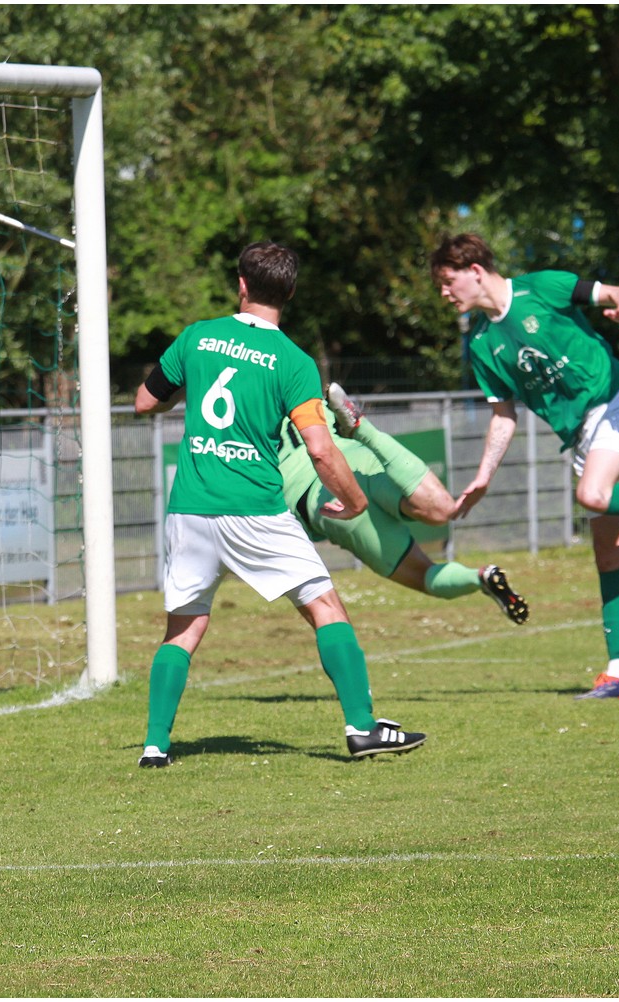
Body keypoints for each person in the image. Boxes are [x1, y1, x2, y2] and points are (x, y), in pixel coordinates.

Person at [134, 241, 425, 766]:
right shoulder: (293, 361)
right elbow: (320, 448)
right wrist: (356, 501)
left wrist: (185, 386)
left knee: (185, 625)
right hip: (255, 508)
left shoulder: (196, 337)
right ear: (289, 292)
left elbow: (144, 402)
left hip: (191, 507)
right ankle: (362, 728)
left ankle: (155, 746)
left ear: (242, 284)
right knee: (324, 606)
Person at [429, 232, 619, 700]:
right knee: (609, 556)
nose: (444, 292)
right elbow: (504, 416)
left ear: (474, 271)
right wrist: (483, 477)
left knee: (592, 495)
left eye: (448, 281)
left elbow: (616, 292)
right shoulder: (481, 344)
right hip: (584, 436)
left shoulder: (540, 287)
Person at [278, 383, 529, 625]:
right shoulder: (301, 391)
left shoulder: (257, 427)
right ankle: (364, 430)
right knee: (442, 511)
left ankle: (479, 577)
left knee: (424, 575)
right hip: (357, 457)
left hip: (320, 498)